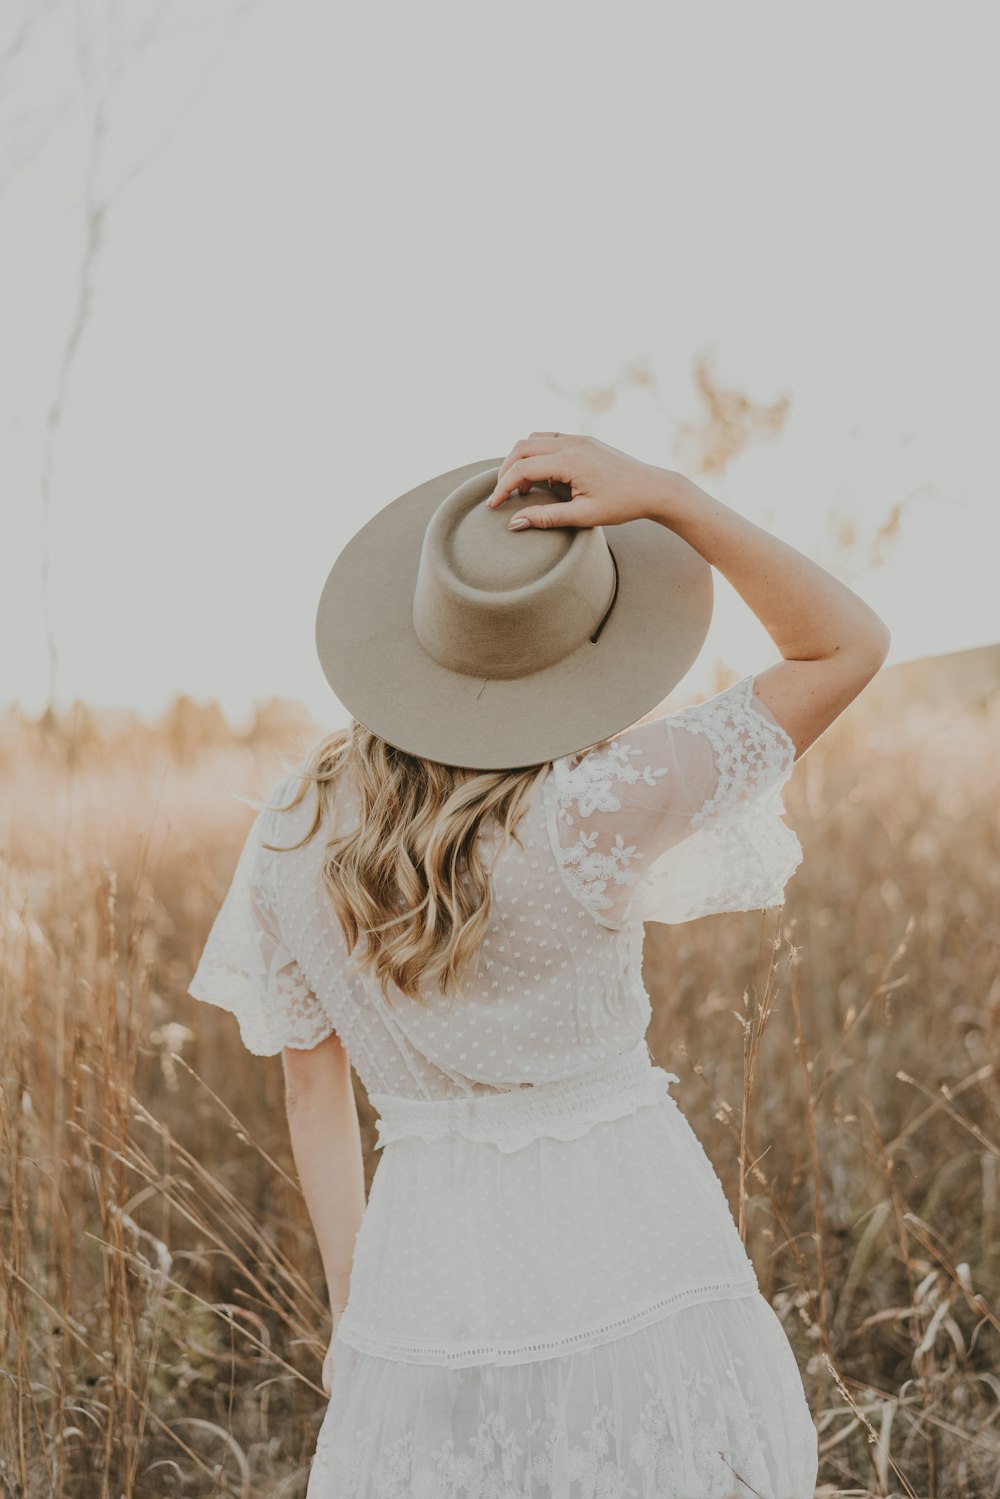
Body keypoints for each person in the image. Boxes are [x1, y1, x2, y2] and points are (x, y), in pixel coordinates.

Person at [188, 433, 890, 1497]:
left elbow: (306, 1079)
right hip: (628, 1236)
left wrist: (354, 1306)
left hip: (420, 1269)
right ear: (579, 655)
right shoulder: (597, 804)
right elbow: (842, 644)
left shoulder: (288, 826)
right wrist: (671, 496)